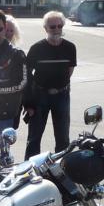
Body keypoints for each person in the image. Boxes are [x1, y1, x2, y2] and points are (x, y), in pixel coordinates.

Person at [23, 10, 76, 158]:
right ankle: (30, 168)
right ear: (45, 28)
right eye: (52, 27)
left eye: (60, 26)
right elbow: (26, 76)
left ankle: (61, 168)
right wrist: (28, 103)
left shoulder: (70, 47)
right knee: (34, 138)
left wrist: (59, 86)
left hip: (62, 95)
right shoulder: (36, 48)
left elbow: (69, 71)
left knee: (63, 138)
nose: (56, 29)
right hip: (40, 96)